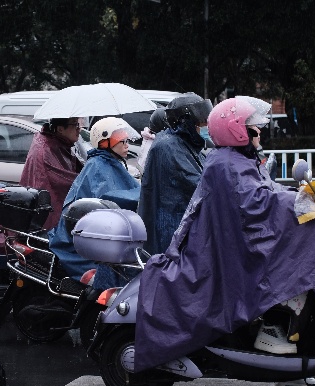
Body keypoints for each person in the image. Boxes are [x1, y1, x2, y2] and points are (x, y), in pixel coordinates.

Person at [134, 96, 315, 386]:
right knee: (298, 267)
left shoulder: (237, 158)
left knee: (301, 264)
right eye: (253, 127)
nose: (258, 131)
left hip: (238, 241)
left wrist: (296, 196)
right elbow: (255, 202)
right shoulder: (225, 163)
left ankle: (292, 337)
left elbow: (265, 191)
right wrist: (299, 204)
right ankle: (276, 331)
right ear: (237, 130)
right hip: (232, 249)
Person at [49, 117, 141, 289]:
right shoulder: (98, 166)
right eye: (120, 139)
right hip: (78, 244)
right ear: (104, 142)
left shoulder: (112, 162)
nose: (126, 144)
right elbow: (111, 198)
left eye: (126, 138)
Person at [137, 92, 213, 254]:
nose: (206, 125)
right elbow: (198, 185)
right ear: (186, 121)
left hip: (185, 226)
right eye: (202, 122)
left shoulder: (188, 144)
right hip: (171, 228)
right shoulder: (168, 146)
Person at [20, 117, 84, 230]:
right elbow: (65, 181)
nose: (79, 129)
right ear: (60, 129)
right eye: (75, 125)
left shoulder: (58, 144)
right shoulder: (47, 149)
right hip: (47, 219)